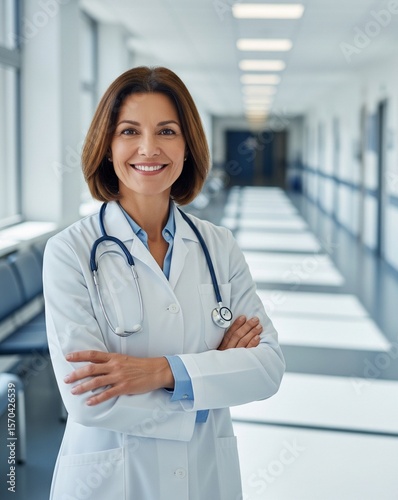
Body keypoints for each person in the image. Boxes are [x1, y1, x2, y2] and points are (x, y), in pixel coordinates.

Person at [43, 66, 285, 500]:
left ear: (188, 146)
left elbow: (266, 369)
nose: (149, 148)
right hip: (110, 478)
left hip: (204, 474)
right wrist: (208, 379)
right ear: (107, 145)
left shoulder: (219, 246)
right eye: (130, 131)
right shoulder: (71, 251)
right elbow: (88, 397)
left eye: (167, 131)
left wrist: (157, 372)